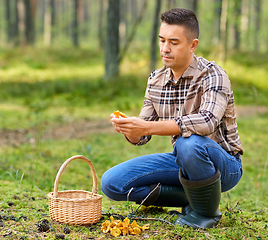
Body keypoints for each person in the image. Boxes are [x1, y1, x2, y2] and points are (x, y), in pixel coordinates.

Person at [101, 8, 243, 229]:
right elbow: (143, 135)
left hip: (224, 165)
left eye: (174, 42)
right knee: (113, 184)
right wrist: (131, 129)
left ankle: (206, 214)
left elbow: (206, 122)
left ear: (192, 45)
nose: (165, 49)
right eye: (162, 40)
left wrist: (147, 126)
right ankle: (192, 199)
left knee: (189, 142)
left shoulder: (213, 75)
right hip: (183, 160)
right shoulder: (155, 80)